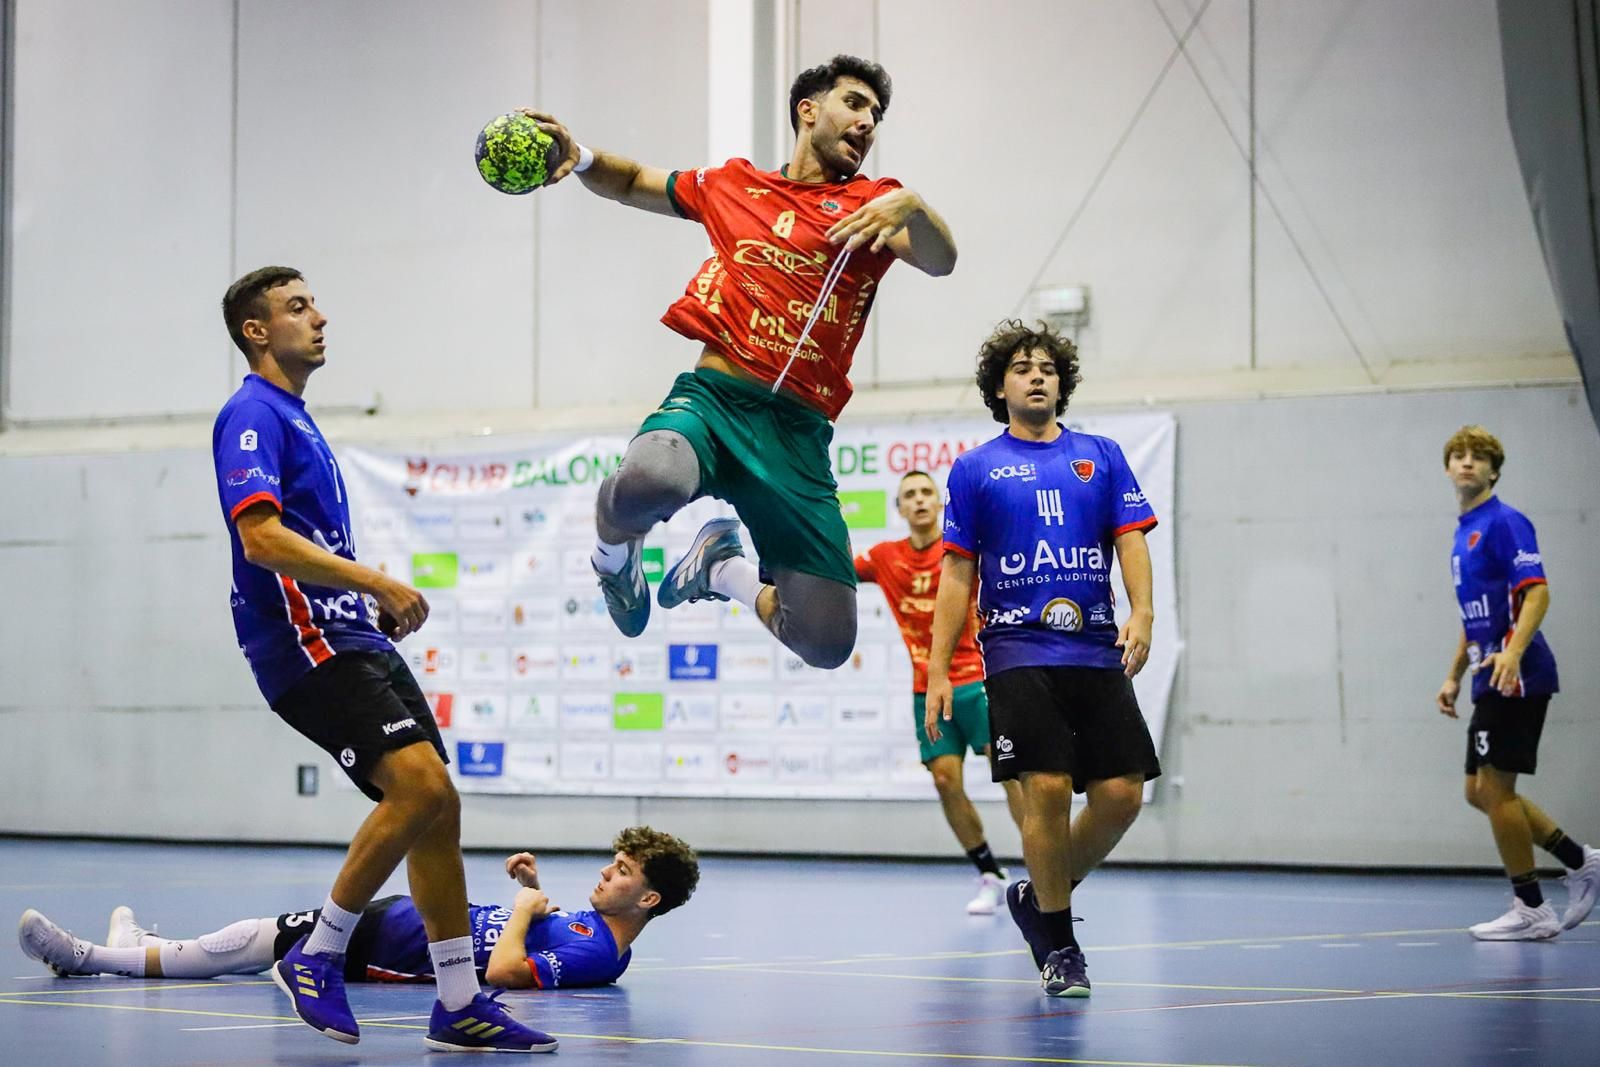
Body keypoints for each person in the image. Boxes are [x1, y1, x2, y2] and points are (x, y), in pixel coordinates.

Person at [205, 267, 551, 1053]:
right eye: (297, 307)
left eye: (315, 302)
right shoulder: (251, 414)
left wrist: (364, 604)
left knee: (441, 805)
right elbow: (260, 540)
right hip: (302, 644)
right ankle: (318, 952)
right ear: (256, 330)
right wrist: (375, 578)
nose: (319, 317)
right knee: (417, 786)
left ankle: (459, 1000)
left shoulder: (296, 415)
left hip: (348, 634)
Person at [524, 54, 957, 669]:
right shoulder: (734, 185)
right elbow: (631, 182)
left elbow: (942, 261)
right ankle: (613, 563)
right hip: (716, 402)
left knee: (826, 641)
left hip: (797, 435)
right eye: (855, 104)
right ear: (808, 111)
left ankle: (722, 570)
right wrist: (583, 158)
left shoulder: (874, 207)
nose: (868, 122)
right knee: (650, 480)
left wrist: (913, 206)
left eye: (876, 115)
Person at [925, 320, 1161, 999]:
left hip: (1094, 645)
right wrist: (941, 669)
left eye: (1048, 369)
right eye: (1023, 368)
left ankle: (1040, 892)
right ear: (999, 387)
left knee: (1120, 795)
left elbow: (1131, 539)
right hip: (1016, 646)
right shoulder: (975, 469)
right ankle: (1060, 945)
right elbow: (956, 574)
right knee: (1048, 787)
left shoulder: (1102, 454)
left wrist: (1142, 611)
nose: (1037, 376)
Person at [18, 826, 698, 992]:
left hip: (392, 946)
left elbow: (503, 970)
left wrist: (521, 904)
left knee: (246, 942)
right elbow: (531, 936)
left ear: (648, 899)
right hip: (405, 916)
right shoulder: (592, 932)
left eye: (623, 871)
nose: (607, 871)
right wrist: (533, 884)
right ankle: (138, 945)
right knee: (258, 940)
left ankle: (91, 957)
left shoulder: (597, 953)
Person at [1435, 426, 1599, 940]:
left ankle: (1531, 908)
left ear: (1493, 470)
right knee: (1476, 791)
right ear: (1447, 469)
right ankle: (1581, 861)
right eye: (1458, 456)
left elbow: (1537, 593)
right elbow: (1474, 614)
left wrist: (1514, 652)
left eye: (1478, 457)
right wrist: (1454, 674)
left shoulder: (1505, 522)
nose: (1467, 463)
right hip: (1487, 674)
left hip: (1518, 675)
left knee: (1496, 789)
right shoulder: (1464, 533)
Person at [856, 471, 1025, 913]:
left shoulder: (964, 550)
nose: (919, 501)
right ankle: (990, 873)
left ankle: (1042, 873)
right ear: (900, 509)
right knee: (946, 780)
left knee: (1008, 770)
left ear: (940, 503)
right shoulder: (884, 557)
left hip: (979, 681)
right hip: (927, 689)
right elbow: (834, 569)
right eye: (909, 495)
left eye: (926, 492)